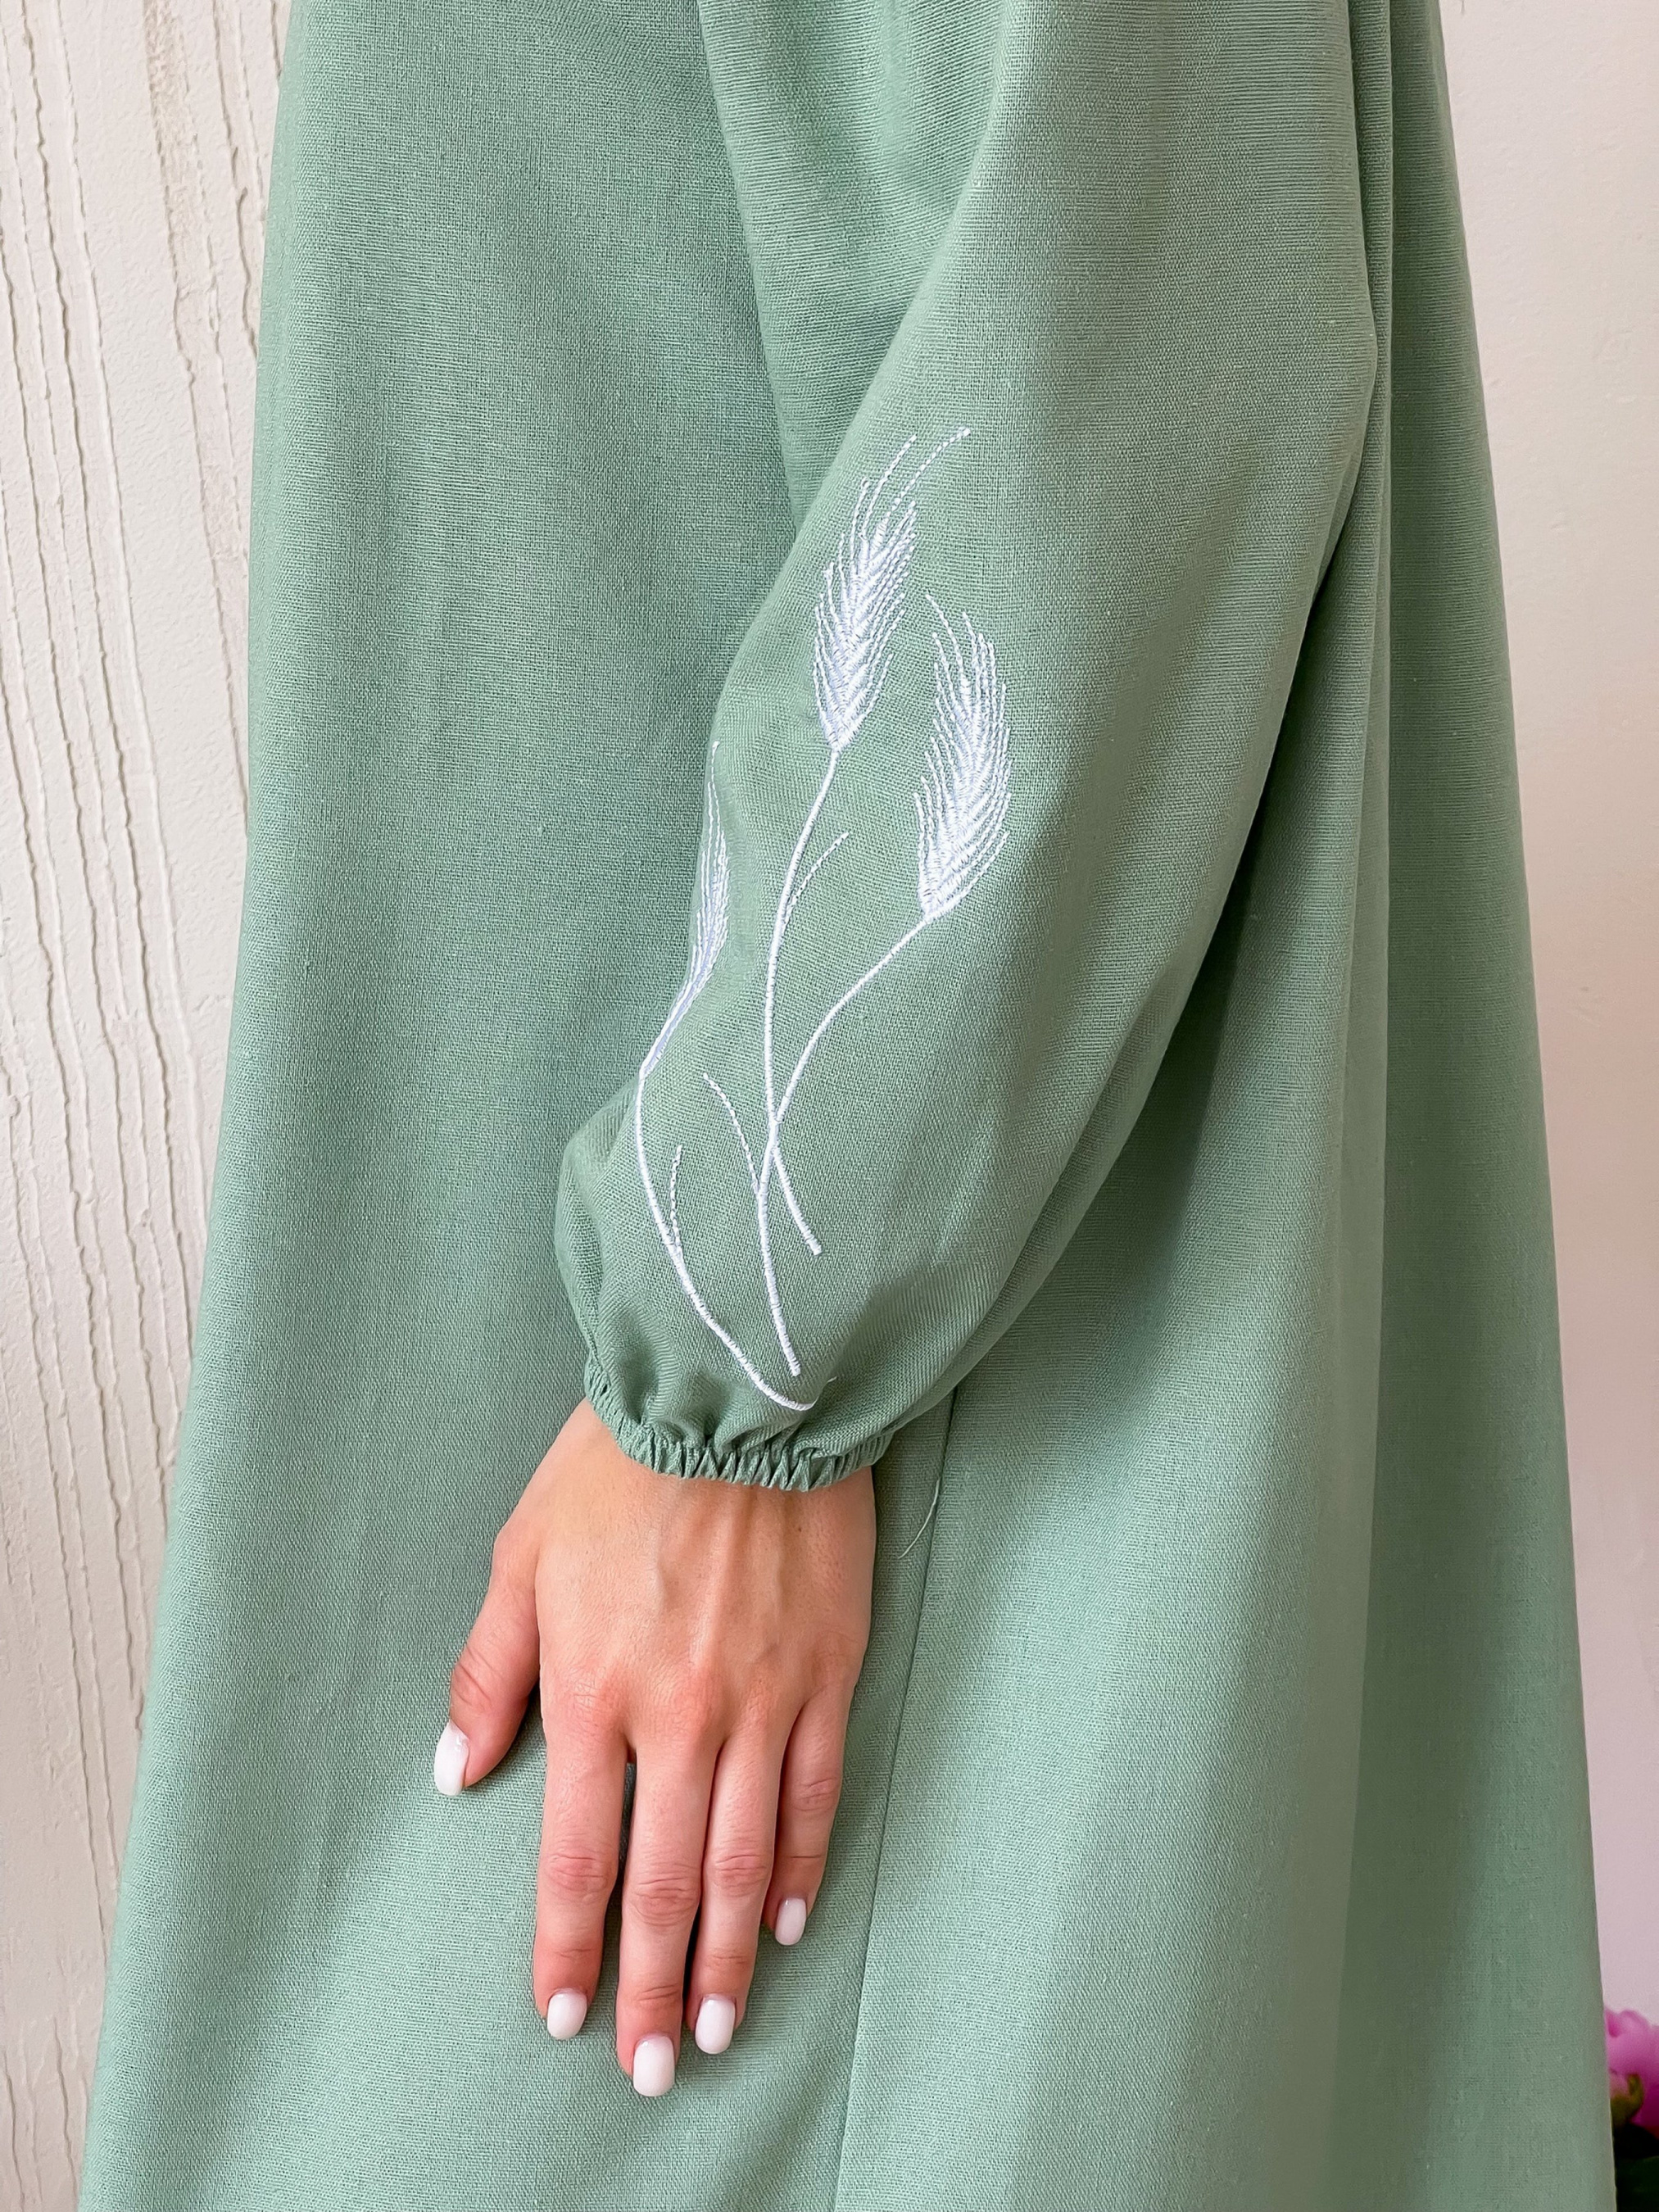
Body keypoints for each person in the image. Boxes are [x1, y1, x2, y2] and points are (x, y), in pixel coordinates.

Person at [79, 0, 1616, 2205]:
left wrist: (742, 1343)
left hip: (839, 1428)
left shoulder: (749, 1384)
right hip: (629, 1372)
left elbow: (1125, 357)